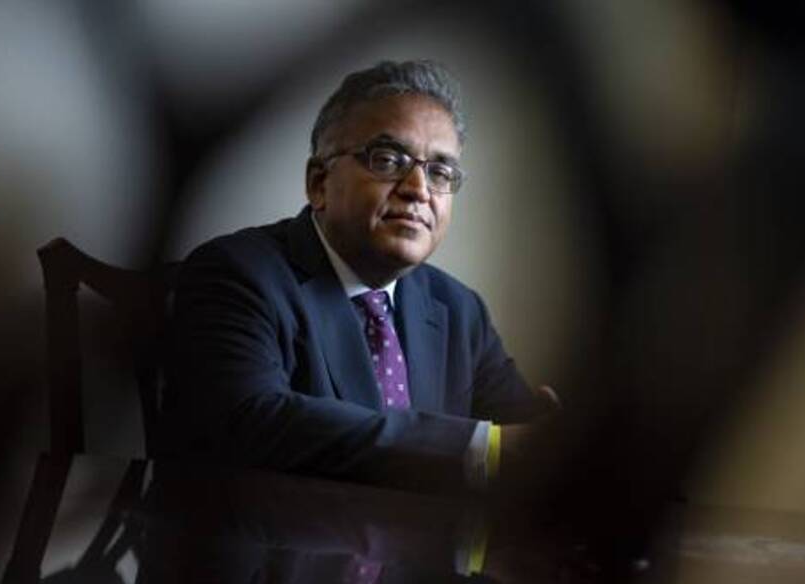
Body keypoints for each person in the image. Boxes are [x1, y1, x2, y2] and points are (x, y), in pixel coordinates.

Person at [159, 59, 557, 495]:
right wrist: (479, 449)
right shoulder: (236, 274)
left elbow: (525, 438)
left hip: (419, 556)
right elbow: (252, 422)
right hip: (269, 549)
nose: (419, 189)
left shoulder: (458, 309)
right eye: (387, 160)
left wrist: (551, 435)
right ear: (318, 183)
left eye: (440, 172)